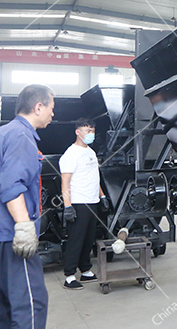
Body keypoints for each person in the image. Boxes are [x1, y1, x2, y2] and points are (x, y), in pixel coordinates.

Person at [0, 84, 54, 328]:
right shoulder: (22, 137)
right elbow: (12, 184)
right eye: (51, 107)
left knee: (6, 305)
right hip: (12, 236)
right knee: (31, 304)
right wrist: (23, 226)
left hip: (2, 236)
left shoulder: (6, 132)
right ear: (38, 107)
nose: (53, 114)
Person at [60, 118, 108, 290]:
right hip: (79, 203)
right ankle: (69, 275)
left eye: (92, 131)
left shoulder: (91, 152)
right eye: (87, 131)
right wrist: (68, 206)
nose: (91, 134)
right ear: (77, 132)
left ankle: (85, 270)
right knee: (76, 240)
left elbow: (95, 177)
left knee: (88, 239)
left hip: (92, 201)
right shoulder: (70, 154)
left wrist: (102, 196)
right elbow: (65, 182)